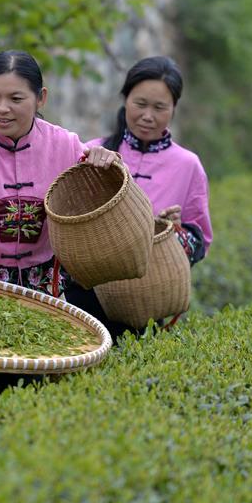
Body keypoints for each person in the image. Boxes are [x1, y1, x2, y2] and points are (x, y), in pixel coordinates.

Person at [0, 50, 120, 416]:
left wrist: (108, 163)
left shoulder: (64, 144)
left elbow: (107, 190)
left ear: (40, 98)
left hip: (43, 298)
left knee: (33, 410)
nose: (2, 109)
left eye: (16, 99)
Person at [65, 55, 213, 342]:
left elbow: (199, 241)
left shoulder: (188, 165)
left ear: (174, 109)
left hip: (145, 301)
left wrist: (175, 231)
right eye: (140, 104)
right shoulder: (94, 152)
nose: (148, 116)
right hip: (85, 298)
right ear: (125, 99)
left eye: (160, 108)